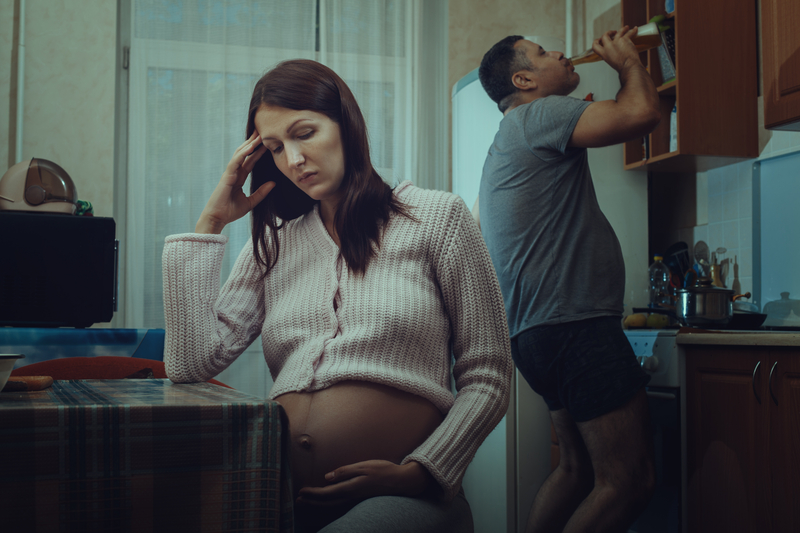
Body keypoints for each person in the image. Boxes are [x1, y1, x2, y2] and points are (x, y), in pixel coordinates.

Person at [162, 59, 513, 533]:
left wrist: (422, 471)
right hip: (282, 497)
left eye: (304, 133)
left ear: (345, 123)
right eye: (275, 148)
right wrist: (209, 224)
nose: (293, 159)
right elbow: (189, 364)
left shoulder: (438, 218)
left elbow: (488, 374)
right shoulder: (275, 242)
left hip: (404, 497)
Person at [477, 27, 660, 533]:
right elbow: (644, 114)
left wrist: (594, 105)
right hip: (575, 326)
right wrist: (626, 63)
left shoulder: (515, 131)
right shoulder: (539, 115)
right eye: (542, 53)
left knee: (577, 470)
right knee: (629, 481)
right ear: (524, 79)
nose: (558, 52)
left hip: (536, 334)